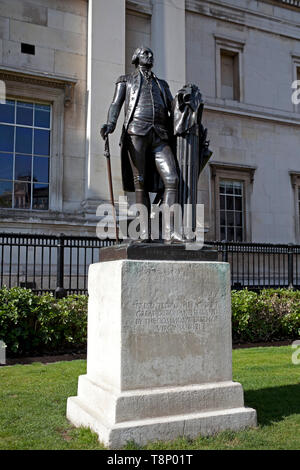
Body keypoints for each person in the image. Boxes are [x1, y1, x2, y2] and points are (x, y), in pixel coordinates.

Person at [100, 46, 182, 242]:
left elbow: (174, 107)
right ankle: (144, 232)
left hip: (160, 135)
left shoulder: (162, 84)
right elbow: (115, 104)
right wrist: (110, 124)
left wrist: (186, 103)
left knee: (172, 179)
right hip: (136, 132)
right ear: (136, 57)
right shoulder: (125, 80)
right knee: (141, 182)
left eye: (151, 53)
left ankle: (169, 231)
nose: (150, 55)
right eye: (145, 53)